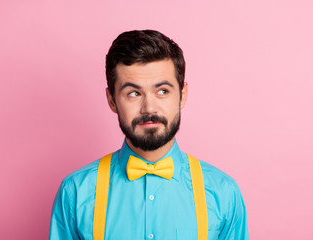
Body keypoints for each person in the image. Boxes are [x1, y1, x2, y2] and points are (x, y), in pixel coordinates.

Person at [49, 30, 249, 240]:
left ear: (182, 95)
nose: (149, 108)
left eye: (162, 91)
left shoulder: (223, 194)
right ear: (112, 100)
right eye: (133, 93)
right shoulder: (75, 193)